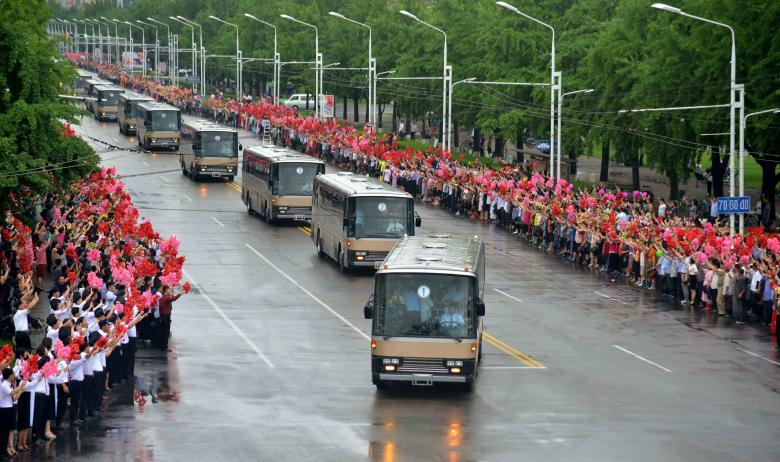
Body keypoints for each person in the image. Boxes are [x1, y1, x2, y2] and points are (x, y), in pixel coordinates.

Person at [156, 286, 182, 351]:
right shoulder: (165, 298)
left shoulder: (164, 297)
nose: (170, 290)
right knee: (166, 332)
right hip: (166, 316)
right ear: (165, 291)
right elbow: (173, 299)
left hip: (164, 315)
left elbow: (171, 298)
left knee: (163, 331)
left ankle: (162, 345)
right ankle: (164, 346)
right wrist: (180, 293)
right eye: (169, 289)